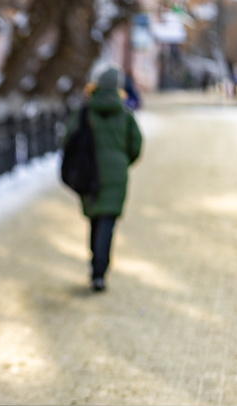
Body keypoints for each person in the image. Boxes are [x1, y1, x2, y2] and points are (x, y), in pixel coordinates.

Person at [66, 66, 143, 292]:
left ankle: (95, 266)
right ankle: (100, 271)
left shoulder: (85, 112)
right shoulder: (125, 114)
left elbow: (68, 139)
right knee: (108, 222)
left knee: (94, 219)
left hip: (89, 172)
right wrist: (122, 162)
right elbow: (136, 146)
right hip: (116, 174)